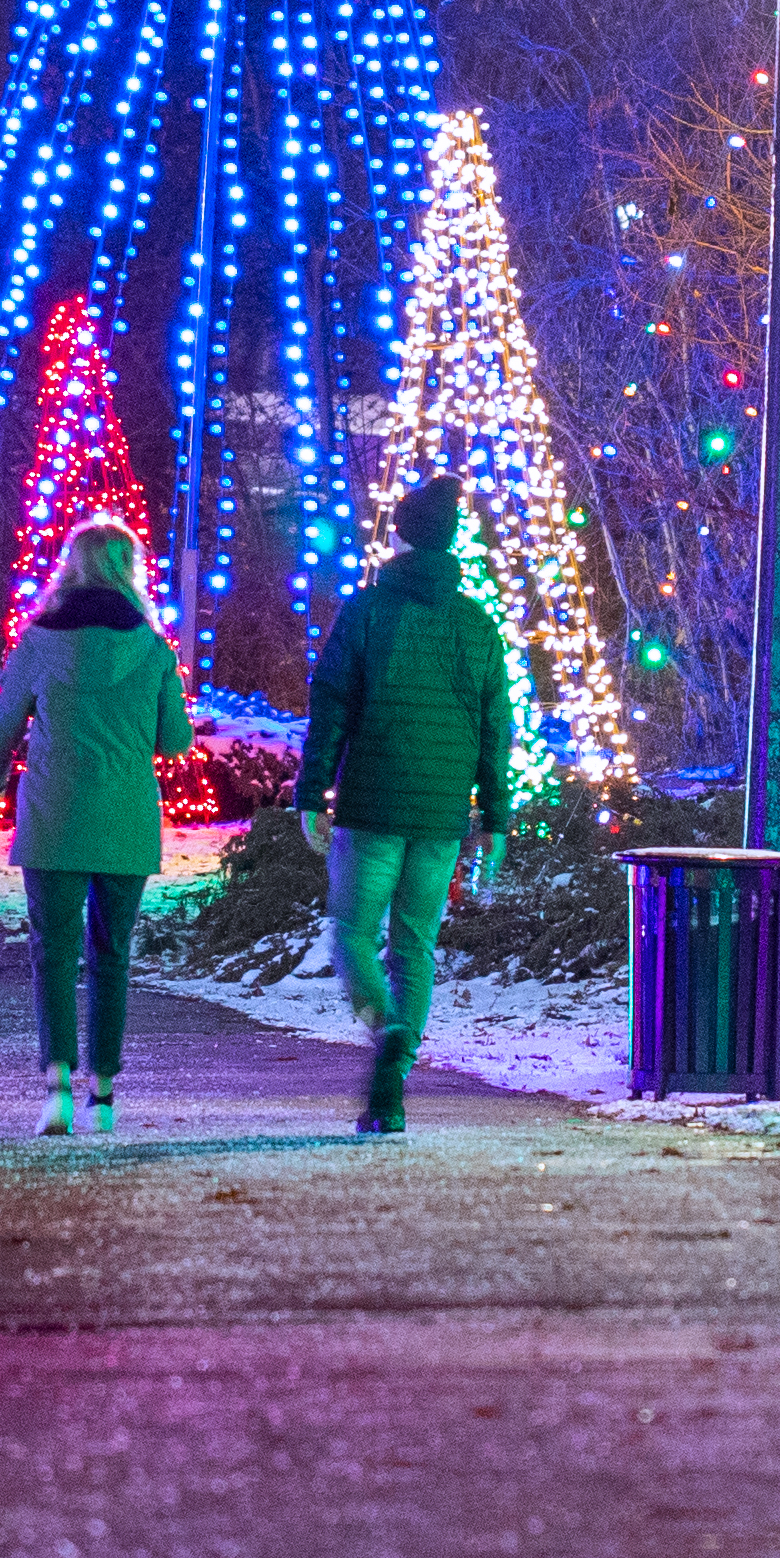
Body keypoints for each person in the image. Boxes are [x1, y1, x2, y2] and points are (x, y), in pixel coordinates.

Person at [291, 476, 511, 1137]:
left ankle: (382, 1025)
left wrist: (312, 791)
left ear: (402, 538)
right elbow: (496, 728)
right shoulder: (478, 623)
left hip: (372, 803)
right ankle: (394, 1080)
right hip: (442, 813)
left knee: (354, 931)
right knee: (415, 945)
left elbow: (330, 704)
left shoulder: (365, 611)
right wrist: (495, 817)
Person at [0, 519, 189, 1138]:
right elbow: (173, 741)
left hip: (54, 814)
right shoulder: (152, 648)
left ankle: (57, 1087)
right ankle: (104, 1091)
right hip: (125, 817)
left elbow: (4, 720)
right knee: (112, 955)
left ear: (72, 567)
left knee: (53, 951)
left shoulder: (39, 642)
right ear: (131, 571)